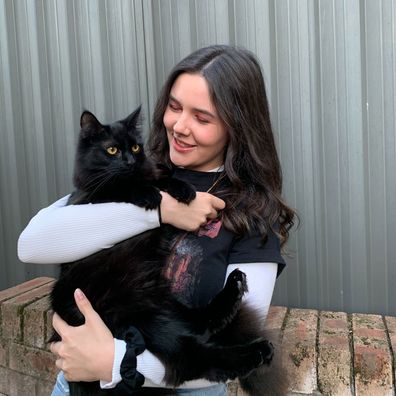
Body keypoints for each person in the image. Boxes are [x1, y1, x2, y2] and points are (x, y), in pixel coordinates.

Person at [18, 45, 296, 396]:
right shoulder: (138, 171)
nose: (179, 126)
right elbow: (31, 244)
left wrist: (116, 362)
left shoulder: (251, 213)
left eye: (202, 117)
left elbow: (234, 347)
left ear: (236, 126)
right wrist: (159, 211)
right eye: (174, 107)